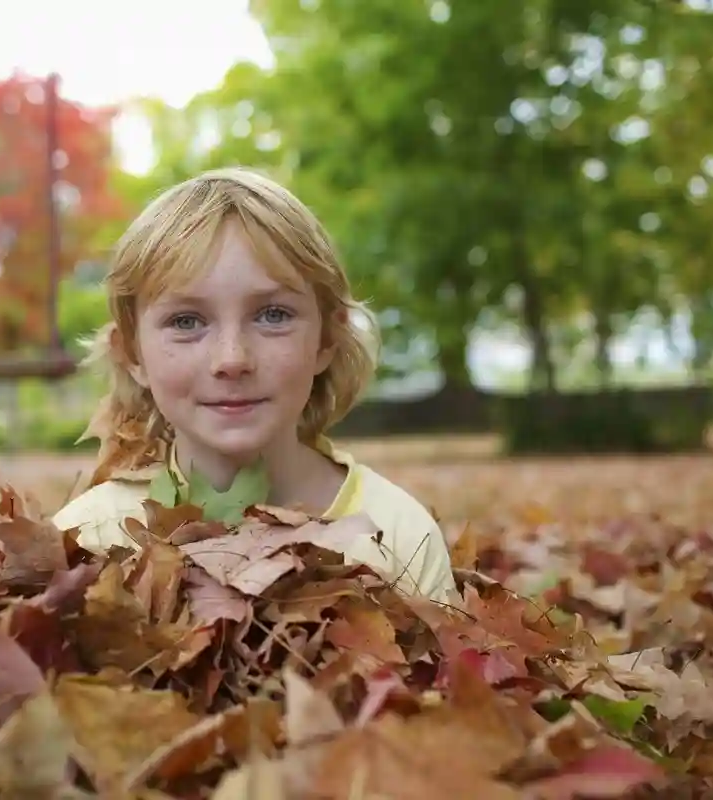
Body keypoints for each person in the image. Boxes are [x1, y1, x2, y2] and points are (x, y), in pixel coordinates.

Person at [50, 167, 458, 605]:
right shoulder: (87, 541)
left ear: (327, 339)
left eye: (273, 315)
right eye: (186, 321)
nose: (232, 359)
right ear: (132, 354)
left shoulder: (399, 537)